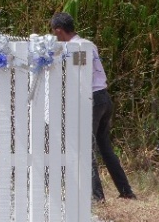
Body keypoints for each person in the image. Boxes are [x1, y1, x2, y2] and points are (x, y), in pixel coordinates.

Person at [50, 12, 136, 201]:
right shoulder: (88, 44)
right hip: (104, 97)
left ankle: (97, 197)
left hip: (91, 100)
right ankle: (126, 191)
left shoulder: (75, 48)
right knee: (105, 148)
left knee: (85, 148)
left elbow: (81, 74)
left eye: (55, 33)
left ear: (59, 30)